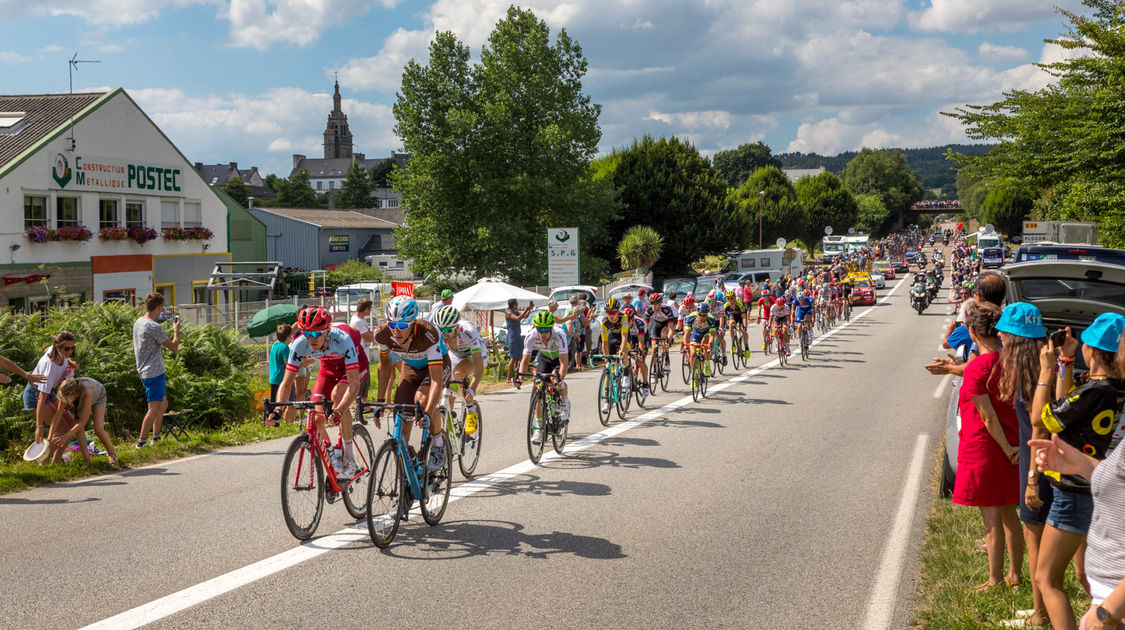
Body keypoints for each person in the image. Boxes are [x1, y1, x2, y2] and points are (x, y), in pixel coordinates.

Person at [1030, 313, 1125, 630]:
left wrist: (1046, 370)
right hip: (1097, 489)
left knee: (1047, 579)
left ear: (1094, 351)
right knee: (1089, 575)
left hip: (1073, 493)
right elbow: (1065, 405)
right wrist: (1066, 361)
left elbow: (1044, 419)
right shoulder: (1111, 389)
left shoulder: (1093, 392)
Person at [953, 300, 1025, 592]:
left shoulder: (976, 367)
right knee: (1010, 514)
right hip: (1013, 444)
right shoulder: (1013, 362)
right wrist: (1012, 447)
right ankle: (1016, 575)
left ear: (972, 332)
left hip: (986, 448)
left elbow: (986, 415)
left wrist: (1005, 448)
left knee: (991, 519)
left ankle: (994, 579)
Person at [995, 302, 1052, 628]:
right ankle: (1040, 609)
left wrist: (1031, 479)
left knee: (1035, 544)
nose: (999, 335)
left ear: (1016, 339)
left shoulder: (1030, 383)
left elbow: (1039, 429)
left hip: (1036, 470)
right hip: (1038, 467)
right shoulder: (1039, 374)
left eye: (1005, 331)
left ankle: (1040, 615)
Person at [273, 306, 364, 478]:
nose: (311, 339)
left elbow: (354, 384)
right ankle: (331, 452)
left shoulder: (342, 339)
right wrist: (278, 410)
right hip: (328, 368)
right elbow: (286, 383)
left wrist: (338, 411)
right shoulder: (300, 344)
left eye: (316, 334)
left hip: (350, 368)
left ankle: (350, 458)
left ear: (327, 330)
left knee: (338, 397)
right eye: (307, 334)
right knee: (315, 416)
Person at [374, 295, 447, 472]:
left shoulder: (428, 333)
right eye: (392, 325)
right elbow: (384, 366)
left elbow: (436, 380)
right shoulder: (382, 334)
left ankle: (438, 444)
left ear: (413, 322)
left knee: (422, 401)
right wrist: (380, 400)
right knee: (401, 412)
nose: (396, 331)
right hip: (411, 367)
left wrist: (428, 412)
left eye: (403, 326)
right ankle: (407, 463)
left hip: (436, 367)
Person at [515, 310, 571, 445]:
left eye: (546, 330)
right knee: (538, 384)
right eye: (540, 329)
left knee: (554, 380)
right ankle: (539, 429)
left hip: (558, 358)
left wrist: (559, 379)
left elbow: (563, 362)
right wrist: (520, 378)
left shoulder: (559, 335)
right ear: (536, 328)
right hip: (544, 357)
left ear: (551, 328)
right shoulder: (531, 336)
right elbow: (525, 360)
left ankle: (564, 401)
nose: (543, 333)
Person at [132, 293, 180, 447]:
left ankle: (156, 437)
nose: (162, 312)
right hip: (154, 371)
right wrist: (176, 330)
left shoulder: (138, 322)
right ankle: (141, 442)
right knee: (153, 408)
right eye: (161, 309)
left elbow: (134, 346)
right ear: (158, 306)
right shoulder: (154, 326)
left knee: (163, 404)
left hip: (143, 369)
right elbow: (174, 348)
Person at [430, 304, 485, 436]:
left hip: (474, 354)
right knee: (446, 389)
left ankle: (471, 408)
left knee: (458, 373)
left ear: (456, 327)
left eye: (448, 329)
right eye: (441, 329)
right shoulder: (438, 334)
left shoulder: (468, 331)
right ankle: (447, 430)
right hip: (455, 354)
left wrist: (473, 388)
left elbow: (478, 364)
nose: (444, 333)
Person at [25, 332, 78, 448]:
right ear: (58, 347)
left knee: (72, 424)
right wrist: (39, 426)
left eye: (72, 348)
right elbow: (41, 398)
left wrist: (70, 362)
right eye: (67, 349)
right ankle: (42, 460)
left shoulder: (55, 349)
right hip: (36, 394)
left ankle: (55, 462)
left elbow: (46, 349)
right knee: (63, 429)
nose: (70, 352)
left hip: (49, 392)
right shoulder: (49, 368)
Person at [50, 377, 118, 466]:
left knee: (98, 428)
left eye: (66, 400)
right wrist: (49, 436)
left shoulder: (87, 393)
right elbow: (58, 415)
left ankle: (112, 454)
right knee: (79, 430)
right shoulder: (65, 392)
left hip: (98, 396)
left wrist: (66, 436)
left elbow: (83, 422)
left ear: (74, 395)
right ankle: (87, 461)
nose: (64, 402)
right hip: (79, 399)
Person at [268, 324, 297, 424]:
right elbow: (288, 364)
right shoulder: (285, 348)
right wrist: (303, 364)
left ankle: (271, 420)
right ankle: (288, 421)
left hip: (273, 378)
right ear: (288, 336)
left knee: (274, 403)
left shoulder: (274, 345)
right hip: (283, 379)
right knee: (288, 401)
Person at [350, 298, 376, 401]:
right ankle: (361, 405)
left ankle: (362, 404)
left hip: (362, 353)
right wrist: (377, 331)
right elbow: (369, 338)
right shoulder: (358, 322)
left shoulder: (359, 319)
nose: (370, 311)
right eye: (370, 308)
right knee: (364, 380)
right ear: (366, 309)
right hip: (361, 355)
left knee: (365, 380)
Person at [505, 299, 532, 384]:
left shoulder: (515, 311)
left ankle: (518, 375)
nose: (517, 306)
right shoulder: (508, 313)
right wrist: (526, 309)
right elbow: (517, 319)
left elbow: (525, 316)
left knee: (520, 357)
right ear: (513, 305)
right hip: (512, 337)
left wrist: (530, 309)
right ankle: (508, 378)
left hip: (518, 336)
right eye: (516, 304)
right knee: (513, 358)